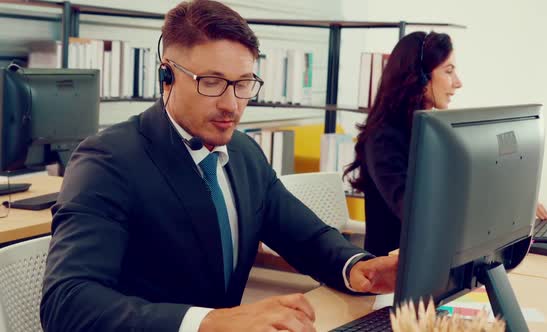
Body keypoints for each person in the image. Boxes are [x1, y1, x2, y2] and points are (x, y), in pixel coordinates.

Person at [40, 1, 397, 331]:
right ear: (167, 76)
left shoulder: (244, 153)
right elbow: (67, 302)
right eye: (211, 82)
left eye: (243, 84)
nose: (231, 104)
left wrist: (358, 269)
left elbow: (307, 237)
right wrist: (207, 323)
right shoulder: (108, 159)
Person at [344, 31, 547, 258]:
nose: (458, 82)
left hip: (438, 257)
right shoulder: (384, 138)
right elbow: (418, 213)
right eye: (449, 71)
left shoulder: (430, 131)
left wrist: (517, 205)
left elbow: (461, 190)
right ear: (420, 76)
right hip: (396, 271)